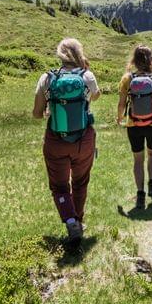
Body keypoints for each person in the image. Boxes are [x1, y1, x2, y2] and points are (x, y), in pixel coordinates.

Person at [33, 38, 101, 243]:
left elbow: (37, 113)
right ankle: (79, 221)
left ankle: (70, 220)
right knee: (80, 182)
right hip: (83, 139)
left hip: (56, 140)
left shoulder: (47, 78)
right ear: (80, 53)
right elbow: (95, 96)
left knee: (60, 186)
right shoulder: (87, 76)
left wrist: (48, 110)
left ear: (60, 55)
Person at [117, 45, 152, 209]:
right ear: (151, 60)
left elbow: (121, 104)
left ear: (134, 60)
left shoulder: (127, 79)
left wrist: (120, 118)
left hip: (133, 124)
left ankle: (140, 194)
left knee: (138, 160)